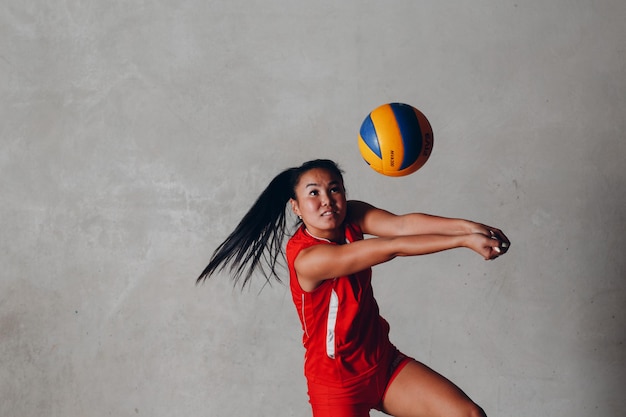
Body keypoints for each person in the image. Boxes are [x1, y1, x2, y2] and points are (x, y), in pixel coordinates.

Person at [197, 159, 510, 417]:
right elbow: (393, 246)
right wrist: (463, 241)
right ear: (296, 207)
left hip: (382, 363)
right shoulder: (308, 259)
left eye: (334, 189)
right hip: (337, 385)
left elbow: (401, 225)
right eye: (314, 193)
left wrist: (471, 227)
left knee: (468, 415)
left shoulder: (351, 217)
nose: (327, 201)